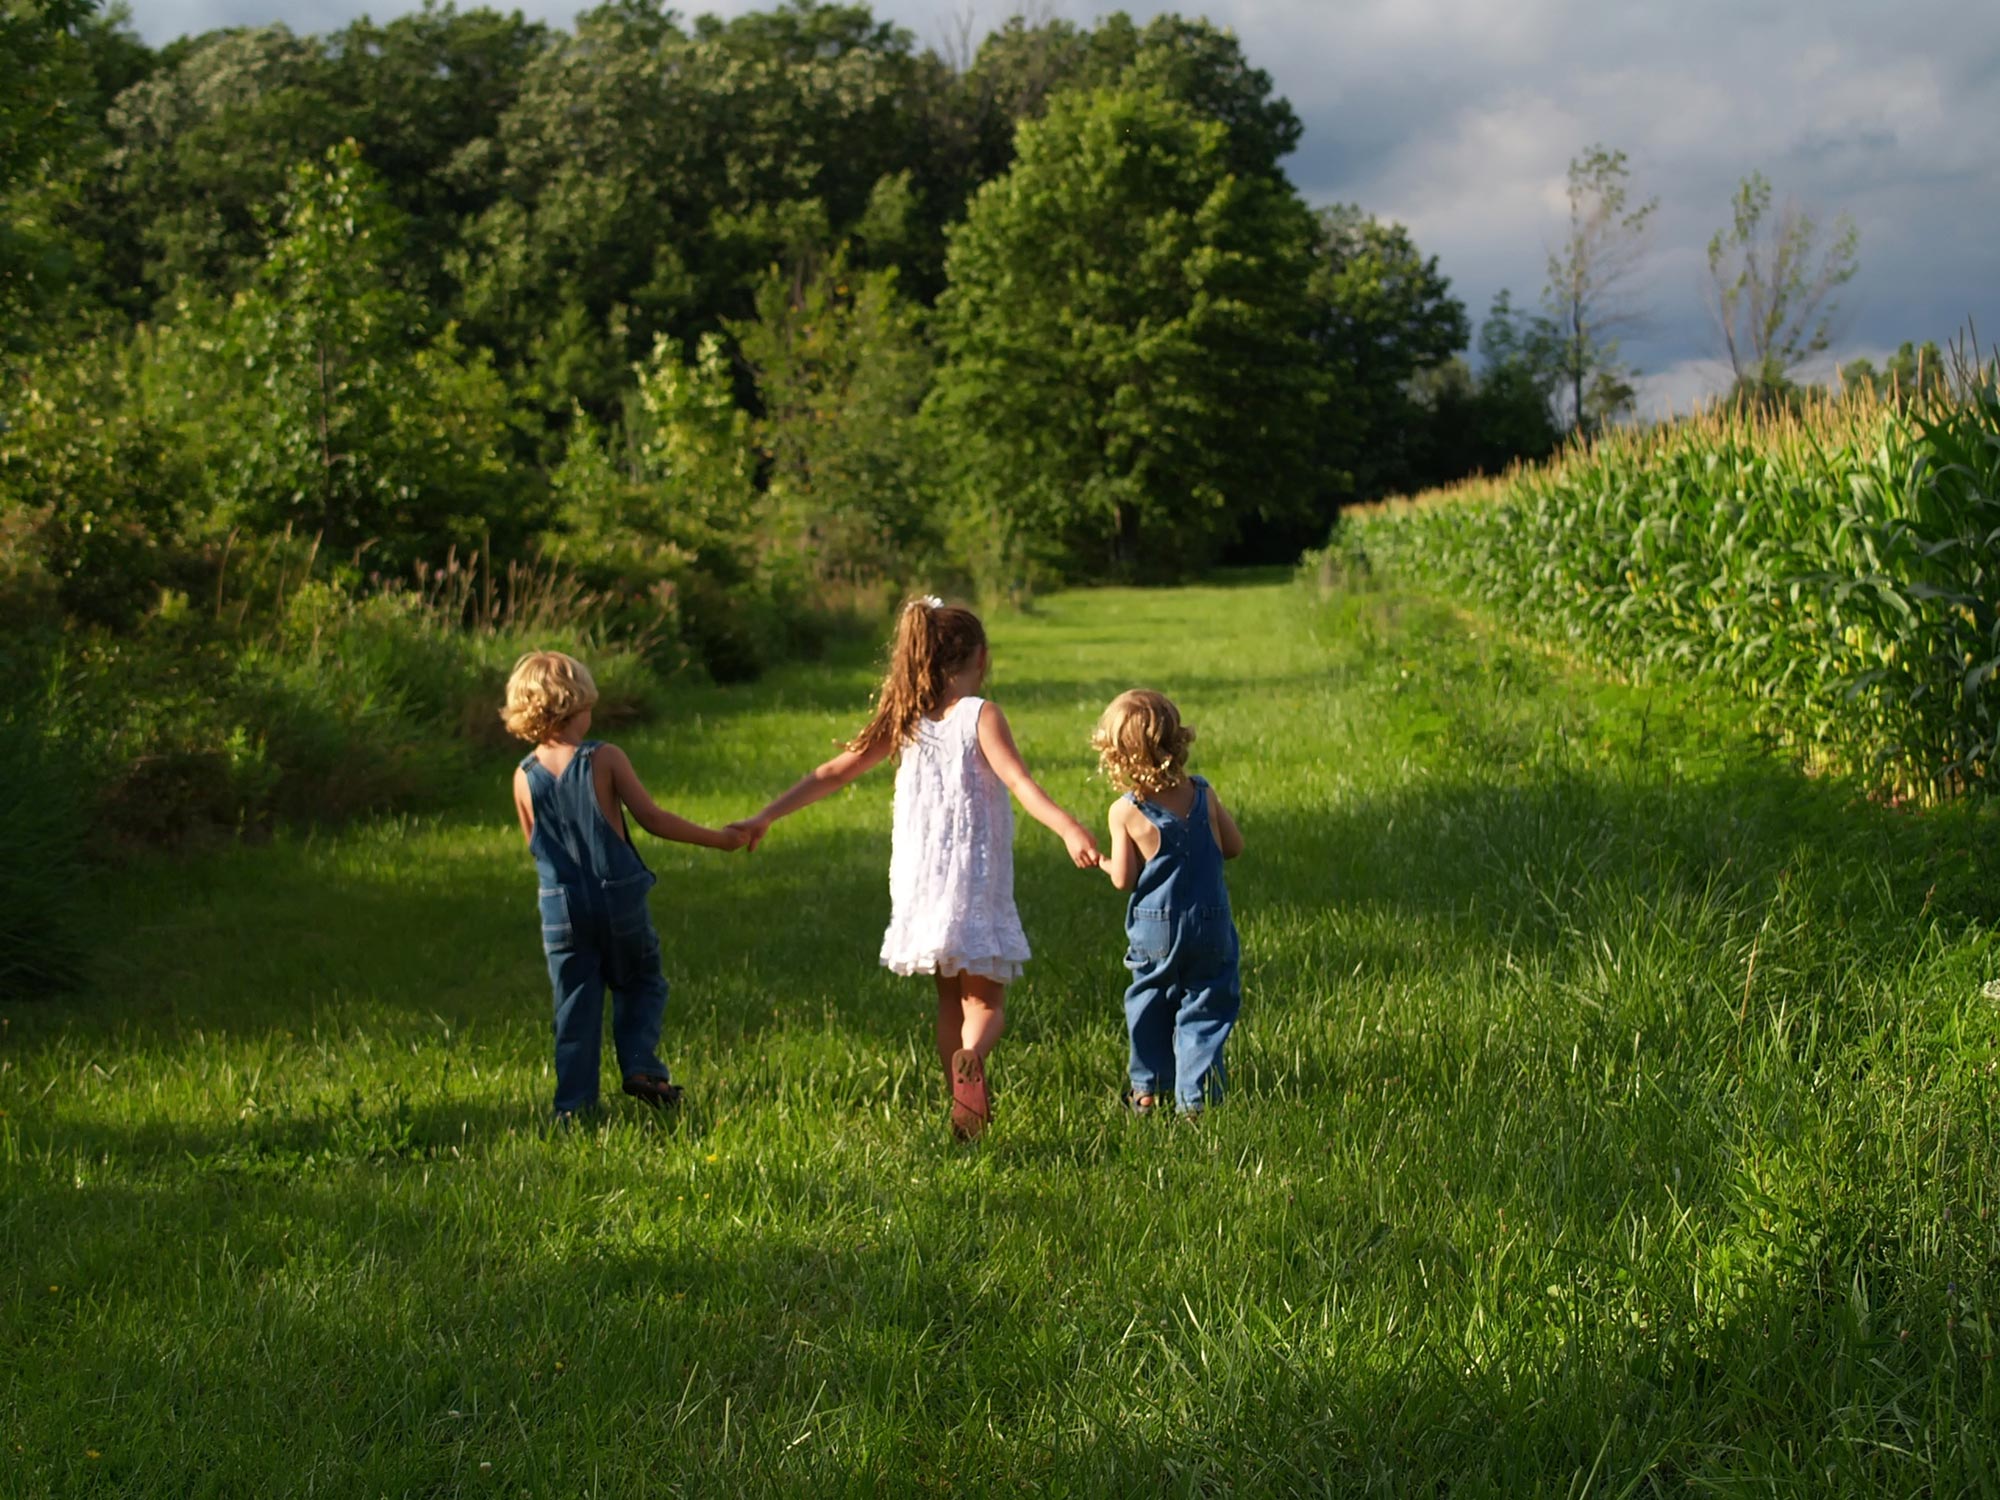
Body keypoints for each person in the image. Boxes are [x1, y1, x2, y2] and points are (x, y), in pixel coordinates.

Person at [733, 597, 1101, 1139]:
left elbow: (835, 771)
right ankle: (973, 1057)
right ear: (979, 656)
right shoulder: (981, 715)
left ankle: (963, 1100)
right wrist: (1070, 827)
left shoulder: (906, 718)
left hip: (921, 881)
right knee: (986, 1000)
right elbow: (1021, 785)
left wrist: (767, 814)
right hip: (975, 879)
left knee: (948, 997)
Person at [504, 650, 746, 1121]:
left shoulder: (522, 776)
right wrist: (719, 840)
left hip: (562, 909)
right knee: (640, 982)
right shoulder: (604, 758)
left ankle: (573, 1108)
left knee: (574, 1008)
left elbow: (534, 844)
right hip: (617, 899)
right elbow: (652, 819)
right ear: (579, 703)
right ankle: (641, 1068)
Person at [1093, 689, 1244, 1118]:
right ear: (1177, 741)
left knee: (1149, 1002)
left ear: (1117, 755)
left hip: (1155, 931)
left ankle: (1146, 1091)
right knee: (1205, 1006)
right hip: (1210, 925)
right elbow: (1233, 847)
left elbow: (1124, 880)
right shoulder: (1203, 793)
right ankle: (1196, 1101)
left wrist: (1102, 862)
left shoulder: (1125, 811)